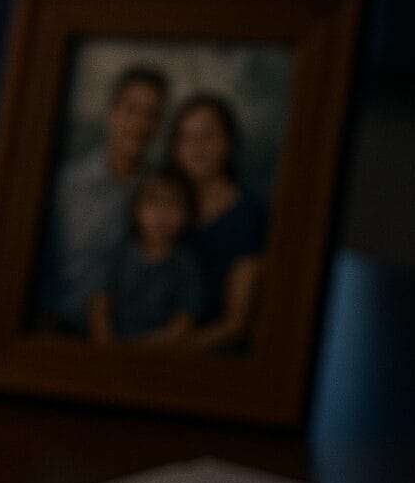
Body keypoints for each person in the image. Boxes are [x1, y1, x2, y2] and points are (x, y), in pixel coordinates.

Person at [49, 64, 168, 321]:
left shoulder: (161, 193)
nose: (140, 124)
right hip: (62, 325)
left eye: (151, 114)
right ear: (112, 112)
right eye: (131, 110)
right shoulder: (69, 186)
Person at [168, 93, 267, 352]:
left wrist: (162, 356)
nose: (196, 147)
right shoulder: (161, 205)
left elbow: (236, 324)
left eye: (208, 136)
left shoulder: (249, 215)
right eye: (187, 138)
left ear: (229, 141)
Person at [87, 166, 202, 346]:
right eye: (153, 202)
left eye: (173, 204)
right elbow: (99, 306)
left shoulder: (187, 265)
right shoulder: (118, 254)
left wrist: (137, 349)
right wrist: (107, 346)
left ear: (188, 213)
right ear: (136, 209)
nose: (162, 213)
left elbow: (182, 325)